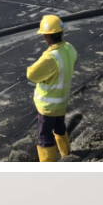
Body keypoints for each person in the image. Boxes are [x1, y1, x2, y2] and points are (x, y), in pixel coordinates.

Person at [26, 15, 77, 162]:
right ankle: (67, 154)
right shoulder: (69, 48)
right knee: (60, 128)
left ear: (47, 36)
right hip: (61, 102)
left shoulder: (50, 58)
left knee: (45, 136)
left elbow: (32, 74)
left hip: (48, 106)